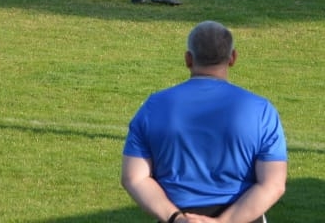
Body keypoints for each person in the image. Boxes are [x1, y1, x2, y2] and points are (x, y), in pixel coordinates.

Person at [122, 21, 288, 222]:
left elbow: (134, 177)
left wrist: (176, 218)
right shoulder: (261, 110)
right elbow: (273, 184)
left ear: (188, 59)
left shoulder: (153, 107)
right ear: (233, 58)